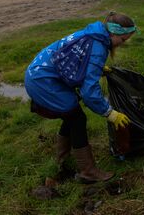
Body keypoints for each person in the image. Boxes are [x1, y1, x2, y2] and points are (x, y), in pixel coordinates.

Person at [24, 11, 137, 183]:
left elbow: (80, 57)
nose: (122, 44)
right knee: (77, 118)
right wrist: (110, 113)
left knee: (71, 114)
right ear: (113, 33)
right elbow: (89, 93)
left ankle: (62, 160)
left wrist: (97, 68)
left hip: (38, 71)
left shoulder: (94, 32)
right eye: (122, 40)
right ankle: (88, 172)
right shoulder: (99, 47)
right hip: (43, 82)